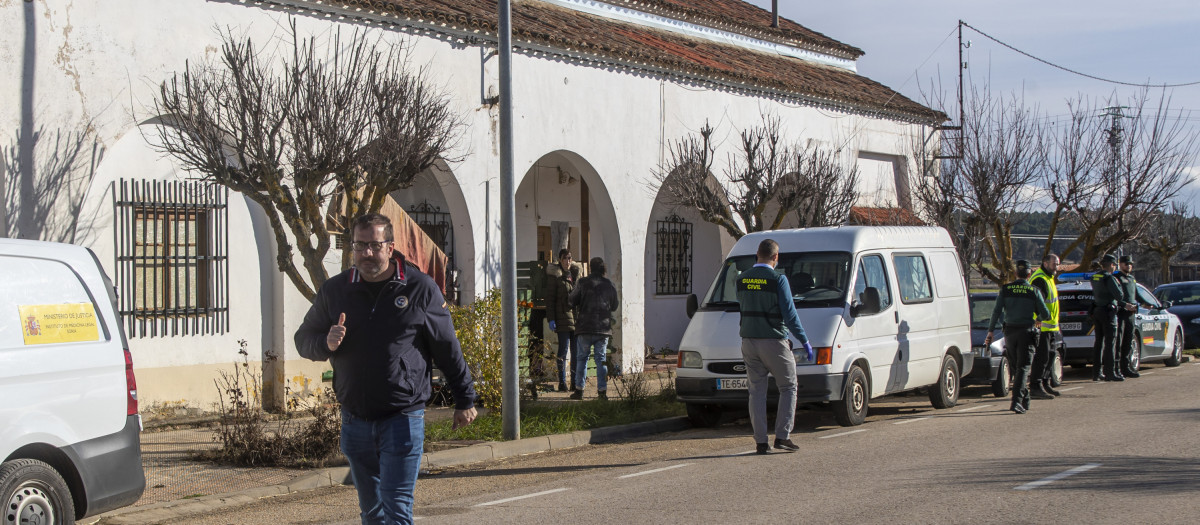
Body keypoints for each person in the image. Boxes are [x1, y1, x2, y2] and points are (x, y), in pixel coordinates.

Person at [295, 213, 477, 525]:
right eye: (360, 246)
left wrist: (465, 399)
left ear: (390, 247)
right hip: (355, 419)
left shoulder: (420, 288)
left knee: (396, 508)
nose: (367, 253)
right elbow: (303, 340)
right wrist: (326, 343)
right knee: (372, 512)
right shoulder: (336, 291)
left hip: (403, 417)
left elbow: (446, 347)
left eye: (375, 246)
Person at [735, 239, 812, 454]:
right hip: (774, 341)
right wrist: (804, 340)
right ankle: (782, 436)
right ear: (776, 257)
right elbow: (790, 314)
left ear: (756, 254)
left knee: (756, 392)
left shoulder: (741, 279)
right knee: (788, 387)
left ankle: (761, 442)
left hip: (748, 341)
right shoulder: (778, 279)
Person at [984, 259, 1052, 414]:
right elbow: (1046, 313)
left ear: (1015, 273)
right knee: (1023, 367)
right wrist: (1039, 318)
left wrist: (990, 331)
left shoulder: (1006, 289)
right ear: (1029, 274)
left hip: (1009, 332)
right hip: (1026, 332)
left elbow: (996, 311)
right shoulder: (1033, 291)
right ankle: (1016, 401)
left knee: (1016, 367)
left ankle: (1024, 398)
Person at [568, 257, 619, 400]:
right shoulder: (610, 285)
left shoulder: (583, 283)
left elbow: (571, 300)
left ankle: (579, 390)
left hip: (584, 327)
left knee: (582, 359)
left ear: (590, 268)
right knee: (601, 360)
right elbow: (615, 305)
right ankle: (602, 392)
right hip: (602, 329)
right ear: (603, 268)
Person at [545, 249, 581, 392]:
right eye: (565, 258)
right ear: (560, 260)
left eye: (570, 258)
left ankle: (574, 382)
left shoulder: (575, 276)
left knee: (576, 352)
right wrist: (551, 319)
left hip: (576, 320)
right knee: (563, 351)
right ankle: (562, 382)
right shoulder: (555, 277)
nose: (568, 261)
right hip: (562, 319)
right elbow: (550, 299)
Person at [1028, 254, 1062, 398]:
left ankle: (1045, 382)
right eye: (1054, 264)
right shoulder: (1040, 279)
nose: (1056, 267)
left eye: (1058, 264)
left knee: (1051, 356)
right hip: (1042, 327)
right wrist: (1039, 319)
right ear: (1045, 263)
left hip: (1051, 327)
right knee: (1042, 358)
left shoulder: (1049, 278)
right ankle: (1035, 386)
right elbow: (1037, 302)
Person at [1090, 254, 1124, 382]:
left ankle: (1096, 372)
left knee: (1099, 342)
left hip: (1097, 310)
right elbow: (1119, 295)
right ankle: (1110, 372)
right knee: (1110, 343)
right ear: (1111, 265)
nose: (1114, 267)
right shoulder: (1109, 278)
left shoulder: (1095, 277)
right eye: (1114, 265)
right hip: (1108, 311)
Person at [1114, 255, 1142, 379]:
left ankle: (1126, 367)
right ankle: (1117, 368)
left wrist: (1147, 303)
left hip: (1131, 314)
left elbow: (1136, 295)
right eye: (1126, 264)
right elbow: (1116, 296)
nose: (1129, 266)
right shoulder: (1116, 278)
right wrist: (1125, 305)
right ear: (1120, 264)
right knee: (1119, 342)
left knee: (1128, 342)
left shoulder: (1131, 278)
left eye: (1130, 264)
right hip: (1121, 314)